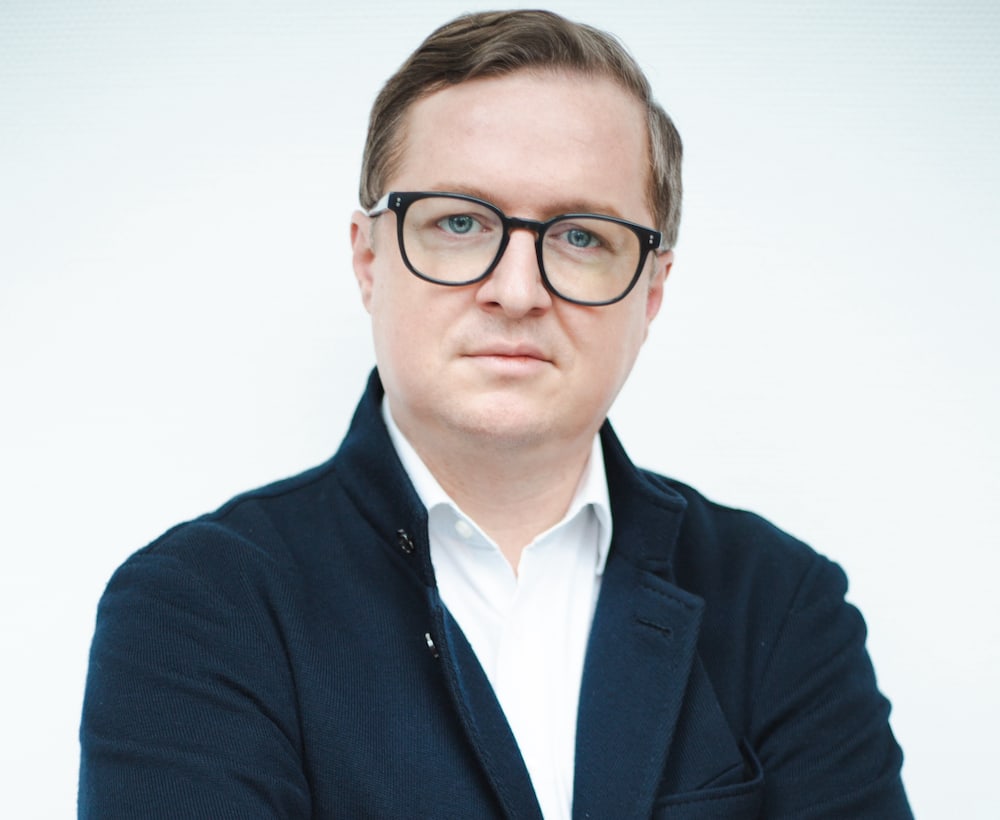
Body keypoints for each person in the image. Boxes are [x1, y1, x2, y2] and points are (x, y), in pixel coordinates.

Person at [79, 9, 911, 819]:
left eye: (581, 236)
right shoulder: (199, 605)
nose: (517, 291)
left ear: (652, 291)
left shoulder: (781, 603)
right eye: (459, 222)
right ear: (368, 259)